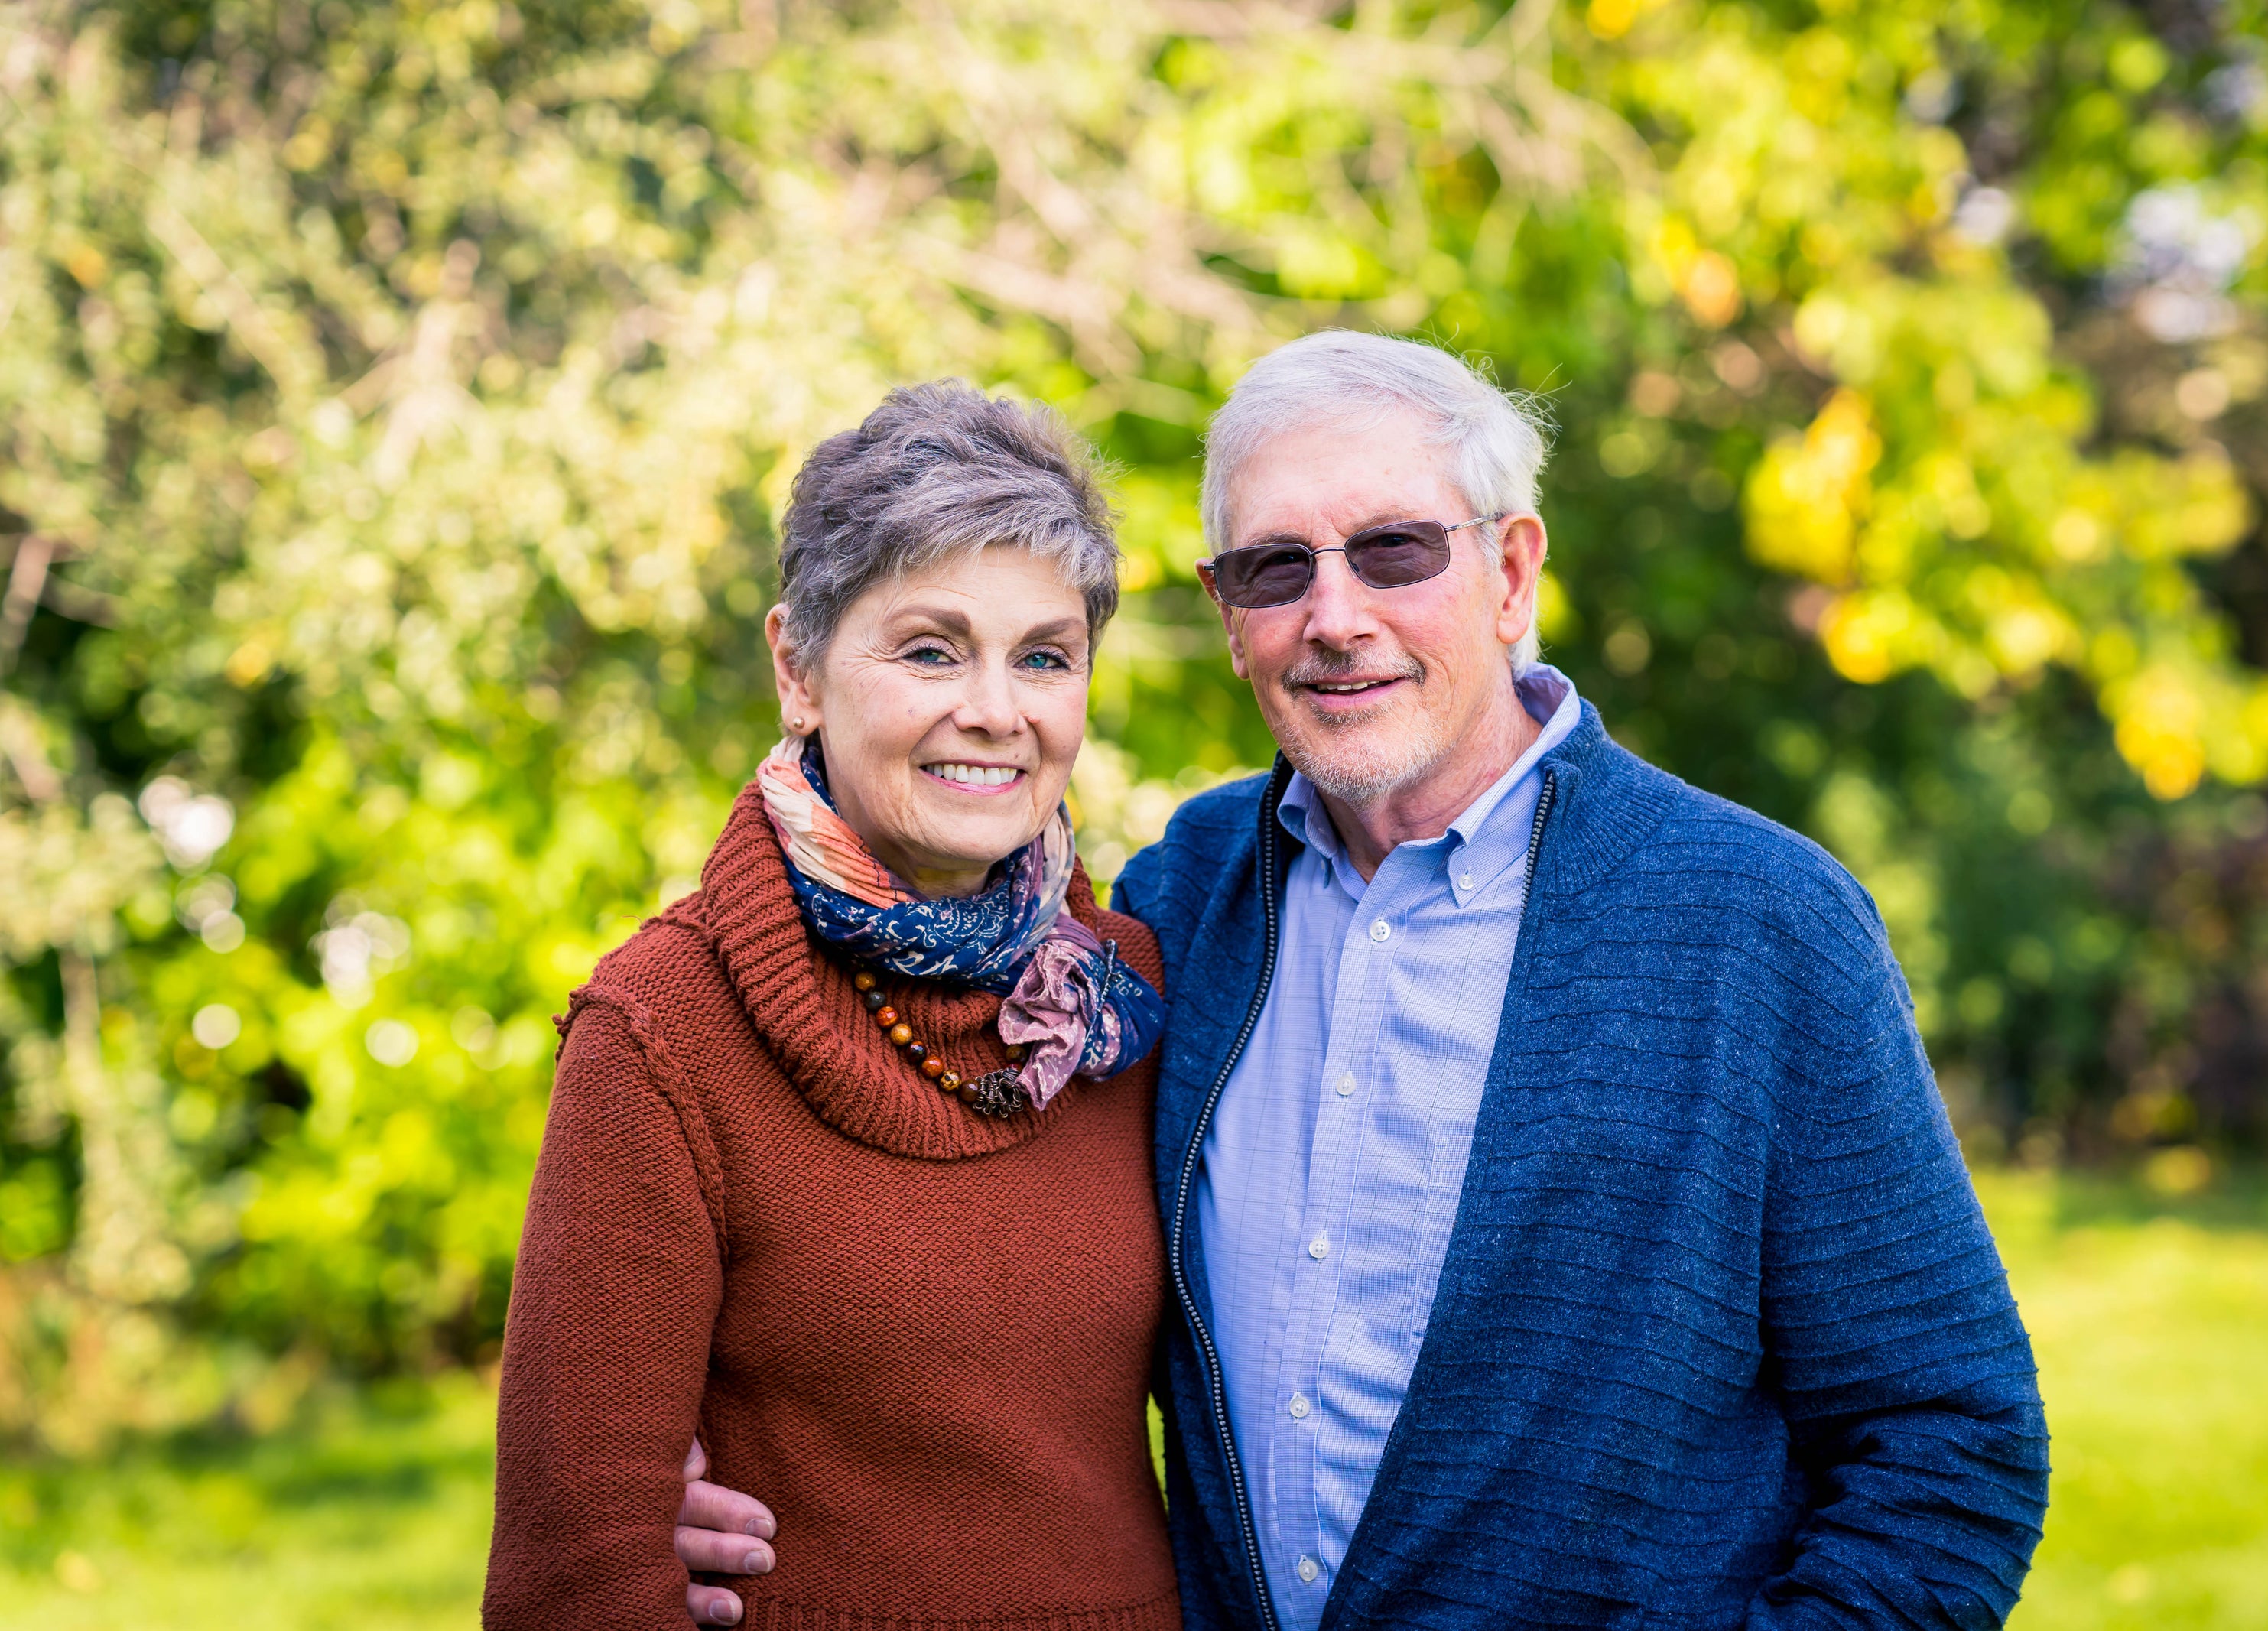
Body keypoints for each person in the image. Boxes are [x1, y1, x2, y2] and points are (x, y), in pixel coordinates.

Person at [674, 333, 2051, 1628]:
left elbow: (1951, 1442)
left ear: (1511, 574)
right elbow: (976, 1217)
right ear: (1227, 616)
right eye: (1275, 568)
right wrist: (714, 1435)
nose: (1335, 617)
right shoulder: (1179, 902)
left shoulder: (1760, 922)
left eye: (1394, 551)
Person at [483, 382, 1181, 1631]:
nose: (996, 709)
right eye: (929, 648)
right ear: (798, 668)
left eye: (1044, 656)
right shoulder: (662, 1030)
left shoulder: (1128, 996)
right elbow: (576, 1569)